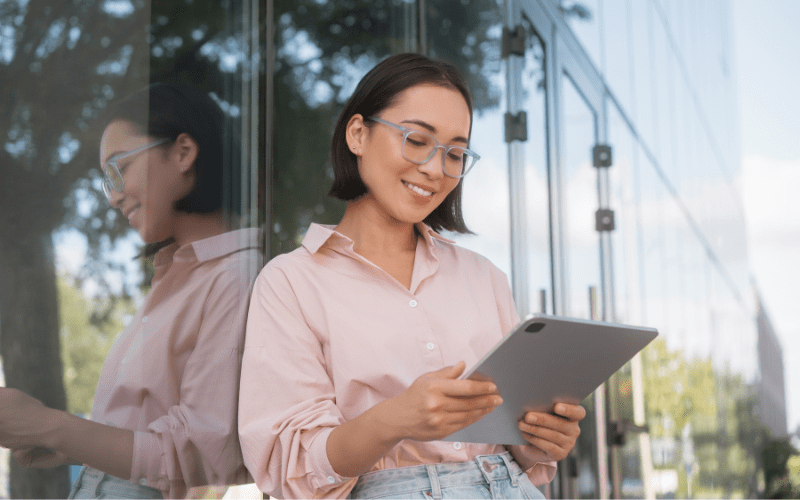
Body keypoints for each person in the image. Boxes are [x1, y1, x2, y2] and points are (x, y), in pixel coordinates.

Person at [238, 53, 586, 499]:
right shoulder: (290, 283)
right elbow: (295, 470)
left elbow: (516, 451)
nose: (436, 169)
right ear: (358, 134)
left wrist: (541, 444)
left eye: (456, 153)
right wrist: (394, 419)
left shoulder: (485, 278)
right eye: (417, 140)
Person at [0, 83, 261, 499]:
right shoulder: (180, 278)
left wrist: (49, 425)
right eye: (106, 180)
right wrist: (71, 444)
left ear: (182, 153)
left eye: (119, 168)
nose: (113, 196)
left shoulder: (236, 277)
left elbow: (203, 455)